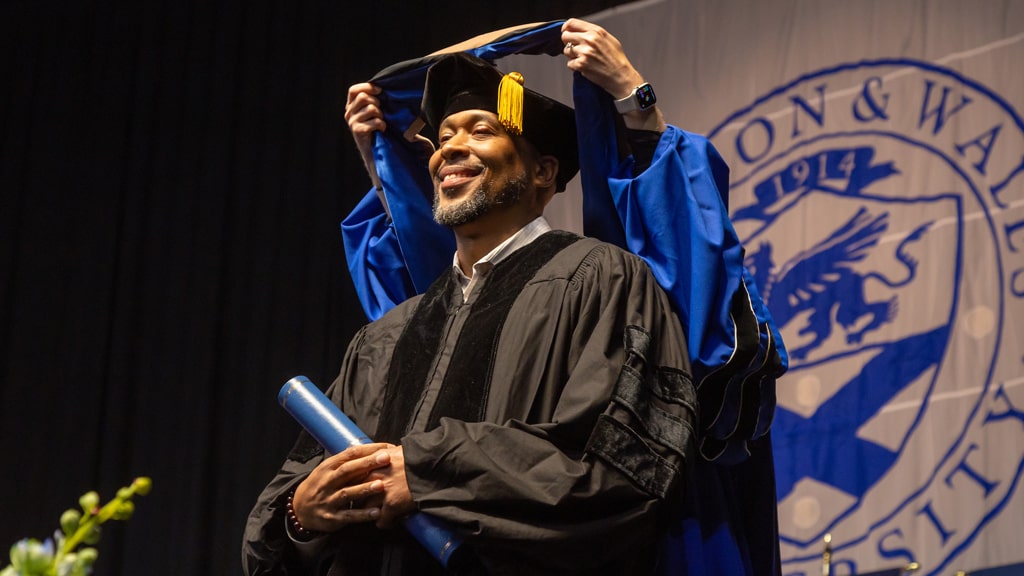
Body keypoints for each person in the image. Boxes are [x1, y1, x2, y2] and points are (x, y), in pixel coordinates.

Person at [243, 20, 699, 576]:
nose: (450, 148)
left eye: (480, 130)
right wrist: (302, 512)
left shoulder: (600, 279)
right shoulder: (390, 333)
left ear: (543, 172)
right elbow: (282, 510)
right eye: (444, 137)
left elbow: (623, 474)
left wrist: (426, 471)